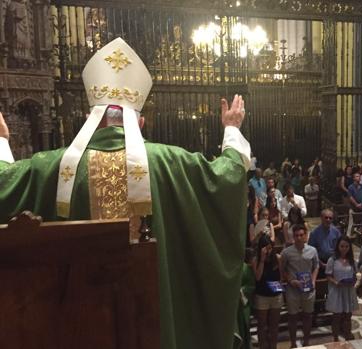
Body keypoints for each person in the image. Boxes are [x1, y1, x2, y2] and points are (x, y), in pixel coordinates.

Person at [0, 38, 252, 349]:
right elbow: (227, 178)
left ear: (90, 119)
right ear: (141, 121)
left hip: (84, 327)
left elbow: (3, 186)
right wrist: (232, 129)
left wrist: (1, 140)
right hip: (154, 327)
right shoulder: (171, 163)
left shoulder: (49, 169)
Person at [281, 225, 320, 348]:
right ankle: (293, 343)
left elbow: (316, 266)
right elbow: (282, 270)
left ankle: (306, 342)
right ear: (293, 236)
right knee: (292, 317)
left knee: (307, 315)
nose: (298, 238)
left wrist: (313, 280)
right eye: (296, 235)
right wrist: (291, 280)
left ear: (305, 236)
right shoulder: (287, 252)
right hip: (293, 289)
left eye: (301, 235)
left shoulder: (312, 250)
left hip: (308, 289)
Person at [252, 235, 283, 349]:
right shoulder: (256, 260)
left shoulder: (278, 258)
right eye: (266, 249)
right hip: (262, 296)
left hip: (276, 295)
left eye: (270, 248)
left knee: (274, 325)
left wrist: (279, 288)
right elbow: (258, 277)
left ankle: (273, 346)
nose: (269, 251)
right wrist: (262, 260)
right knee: (262, 325)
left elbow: (281, 276)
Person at [325, 236, 359, 342]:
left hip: (348, 290)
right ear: (338, 247)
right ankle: (335, 337)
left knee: (348, 314)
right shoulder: (332, 260)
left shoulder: (352, 260)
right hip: (337, 290)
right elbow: (328, 275)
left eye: (346, 246)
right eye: (342, 246)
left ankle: (347, 333)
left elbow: (355, 274)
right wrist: (336, 282)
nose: (344, 248)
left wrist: (354, 280)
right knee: (337, 315)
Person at [308, 209, 342, 273]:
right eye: (326, 217)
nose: (328, 220)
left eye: (330, 218)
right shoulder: (314, 233)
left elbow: (340, 247)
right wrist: (321, 263)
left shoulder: (336, 232)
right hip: (319, 262)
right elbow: (311, 251)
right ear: (321, 218)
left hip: (334, 261)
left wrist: (334, 261)